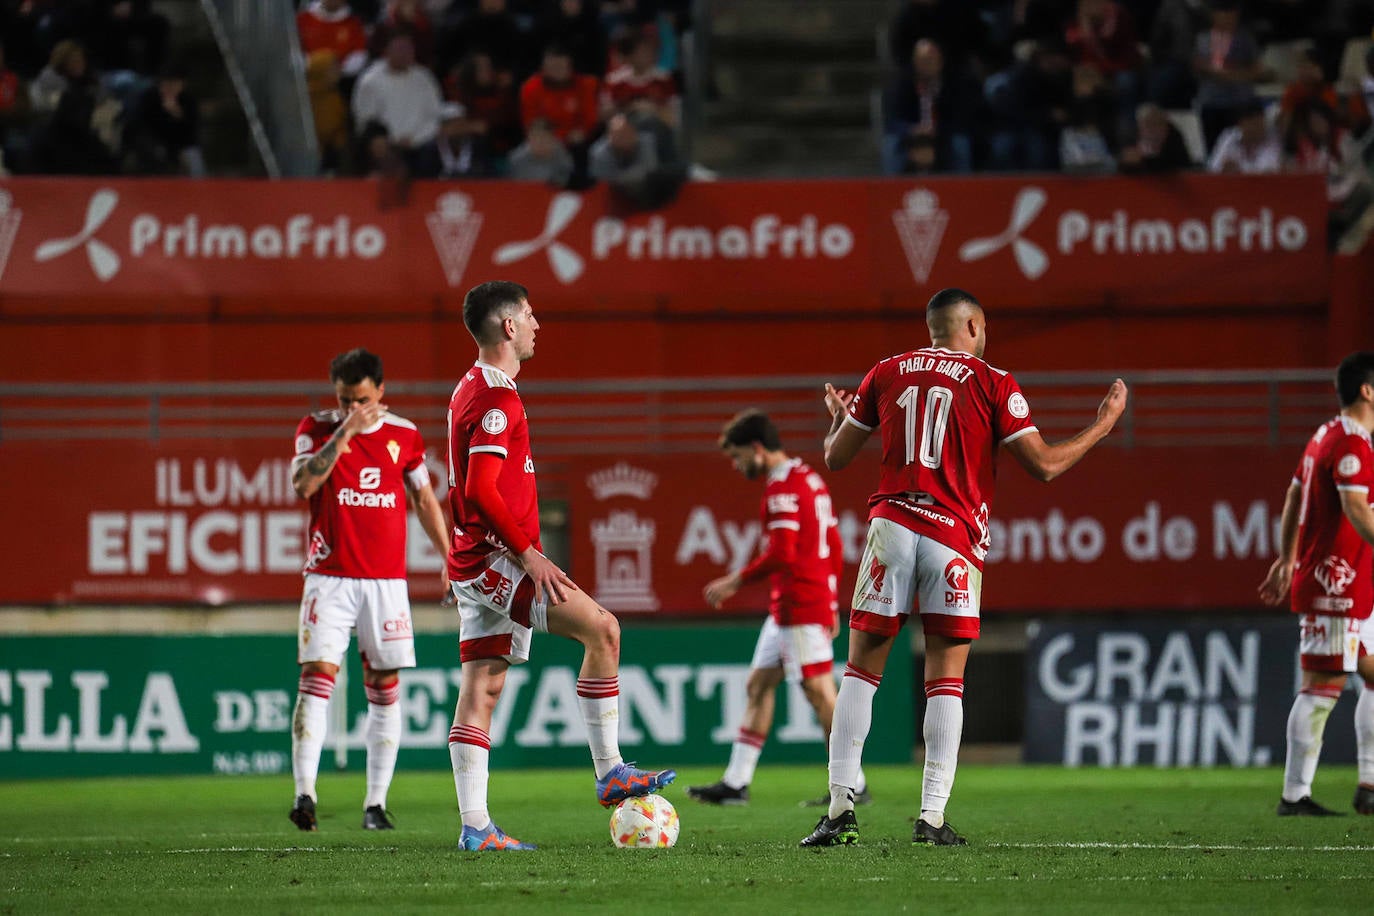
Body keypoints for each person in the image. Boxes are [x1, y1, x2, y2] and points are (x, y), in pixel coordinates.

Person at [799, 287, 1128, 847]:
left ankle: (838, 812)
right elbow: (1044, 466)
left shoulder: (887, 371)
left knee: (858, 674)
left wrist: (838, 421)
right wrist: (1102, 425)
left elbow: (834, 457)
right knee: (945, 682)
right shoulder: (993, 381)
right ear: (972, 327)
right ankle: (930, 819)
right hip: (953, 537)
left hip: (893, 527)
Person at [444, 280, 675, 851]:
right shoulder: (498, 400)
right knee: (603, 629)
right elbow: (480, 490)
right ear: (507, 327)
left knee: (483, 686)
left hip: (474, 559)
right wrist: (529, 554)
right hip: (498, 559)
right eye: (529, 314)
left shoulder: (468, 388)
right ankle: (610, 771)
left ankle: (476, 828)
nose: (537, 323)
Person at [288, 348, 450, 832]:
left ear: (380, 390)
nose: (351, 408)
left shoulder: (404, 434)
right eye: (343, 399)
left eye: (359, 399)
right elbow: (302, 485)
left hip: (385, 583)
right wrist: (344, 433)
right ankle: (304, 796)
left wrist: (449, 557)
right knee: (317, 678)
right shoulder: (316, 430)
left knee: (384, 687)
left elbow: (423, 496)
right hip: (329, 577)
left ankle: (375, 805)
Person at [686, 410, 870, 808]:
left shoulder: (782, 488)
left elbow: (783, 552)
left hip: (798, 602)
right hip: (800, 601)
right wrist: (833, 599)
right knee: (759, 685)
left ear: (756, 448)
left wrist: (734, 580)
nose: (737, 467)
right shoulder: (809, 478)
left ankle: (853, 781)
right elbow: (834, 544)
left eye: (737, 457)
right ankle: (736, 783)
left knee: (820, 692)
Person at [1258, 352, 1374, 817]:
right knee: (1321, 687)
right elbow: (1357, 511)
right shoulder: (1351, 443)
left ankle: (1369, 785)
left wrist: (1287, 558)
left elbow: (1292, 495)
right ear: (1366, 390)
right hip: (1336, 581)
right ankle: (1294, 796)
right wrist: (1294, 561)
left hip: (1355, 587)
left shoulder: (1327, 434)